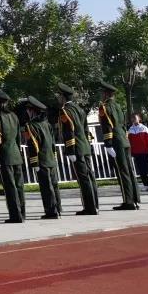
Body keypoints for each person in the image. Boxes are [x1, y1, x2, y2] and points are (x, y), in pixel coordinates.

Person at [56, 83, 99, 215]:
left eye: (59, 96)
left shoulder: (65, 111)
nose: (58, 98)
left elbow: (69, 131)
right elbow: (86, 130)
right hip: (85, 146)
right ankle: (95, 205)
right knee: (90, 176)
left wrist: (70, 150)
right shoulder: (80, 109)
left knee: (83, 178)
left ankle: (89, 207)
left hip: (76, 148)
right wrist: (88, 145)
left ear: (63, 97)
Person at [98, 80, 140, 211]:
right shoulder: (117, 106)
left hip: (116, 141)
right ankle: (135, 199)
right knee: (129, 170)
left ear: (105, 94)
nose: (101, 95)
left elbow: (107, 126)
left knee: (122, 171)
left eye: (102, 93)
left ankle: (128, 201)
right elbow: (122, 124)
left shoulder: (104, 107)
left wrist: (108, 143)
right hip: (124, 140)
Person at [0, 86, 25, 223]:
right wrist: (19, 153)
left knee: (10, 187)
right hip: (16, 154)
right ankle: (22, 213)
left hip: (4, 155)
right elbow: (18, 138)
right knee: (19, 186)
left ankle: (15, 216)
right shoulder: (14, 116)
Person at [20, 96, 61, 219]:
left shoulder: (30, 126)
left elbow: (33, 145)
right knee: (54, 185)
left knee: (46, 187)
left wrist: (34, 163)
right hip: (51, 159)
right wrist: (54, 158)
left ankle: (51, 212)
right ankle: (58, 208)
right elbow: (53, 143)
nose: (27, 112)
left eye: (28, 110)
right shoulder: (47, 124)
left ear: (32, 111)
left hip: (41, 160)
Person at [127, 114, 148, 192]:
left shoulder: (144, 128)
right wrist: (131, 152)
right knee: (141, 169)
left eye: (135, 118)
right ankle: (145, 185)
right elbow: (129, 142)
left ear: (139, 119)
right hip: (136, 153)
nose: (134, 119)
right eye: (132, 118)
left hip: (145, 152)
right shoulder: (130, 130)